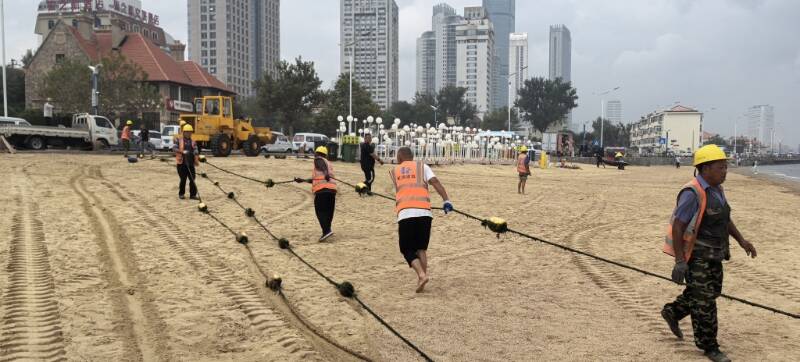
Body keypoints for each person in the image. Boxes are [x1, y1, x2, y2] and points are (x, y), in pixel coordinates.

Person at [661, 144, 757, 362]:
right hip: (697, 256)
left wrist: (742, 241)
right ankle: (709, 346)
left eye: (725, 167)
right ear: (705, 169)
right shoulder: (692, 192)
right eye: (720, 167)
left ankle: (673, 312)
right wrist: (679, 261)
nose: (725, 171)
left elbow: (724, 219)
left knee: (707, 293)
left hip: (716, 254)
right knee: (705, 303)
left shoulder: (716, 190)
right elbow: (678, 226)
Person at [390, 146, 452, 293]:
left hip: (406, 214)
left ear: (399, 158)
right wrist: (446, 200)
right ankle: (422, 278)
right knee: (421, 249)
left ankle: (422, 275)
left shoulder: (394, 171)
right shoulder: (422, 166)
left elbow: (400, 190)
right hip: (424, 213)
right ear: (412, 156)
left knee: (406, 249)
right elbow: (435, 181)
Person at [297, 146, 337, 241]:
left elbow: (321, 166)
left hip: (322, 190)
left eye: (316, 153)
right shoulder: (328, 163)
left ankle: (326, 230)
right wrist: (302, 180)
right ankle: (327, 231)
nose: (315, 155)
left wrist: (326, 173)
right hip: (332, 190)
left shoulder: (319, 160)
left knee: (320, 211)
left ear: (318, 153)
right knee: (328, 212)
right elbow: (316, 179)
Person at [173, 124, 200, 200]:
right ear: (184, 132)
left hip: (191, 163)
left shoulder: (193, 142)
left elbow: (195, 149)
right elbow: (174, 148)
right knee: (183, 179)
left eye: (190, 132)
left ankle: (193, 195)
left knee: (192, 179)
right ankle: (181, 194)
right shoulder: (179, 140)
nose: (188, 133)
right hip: (182, 164)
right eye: (187, 132)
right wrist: (182, 151)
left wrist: (196, 153)